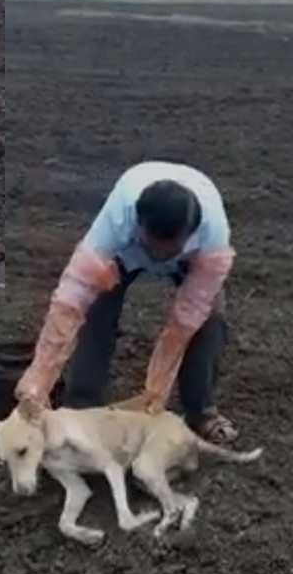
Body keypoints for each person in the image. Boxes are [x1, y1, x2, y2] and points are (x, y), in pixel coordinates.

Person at [13, 160, 238, 442]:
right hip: (124, 253)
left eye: (167, 251)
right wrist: (38, 382)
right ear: (138, 224)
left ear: (188, 236)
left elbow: (185, 321)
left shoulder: (212, 237)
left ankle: (201, 411)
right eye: (151, 247)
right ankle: (83, 405)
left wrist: (154, 397)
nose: (157, 256)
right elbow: (69, 304)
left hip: (192, 261)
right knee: (96, 305)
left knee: (209, 318)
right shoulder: (117, 218)